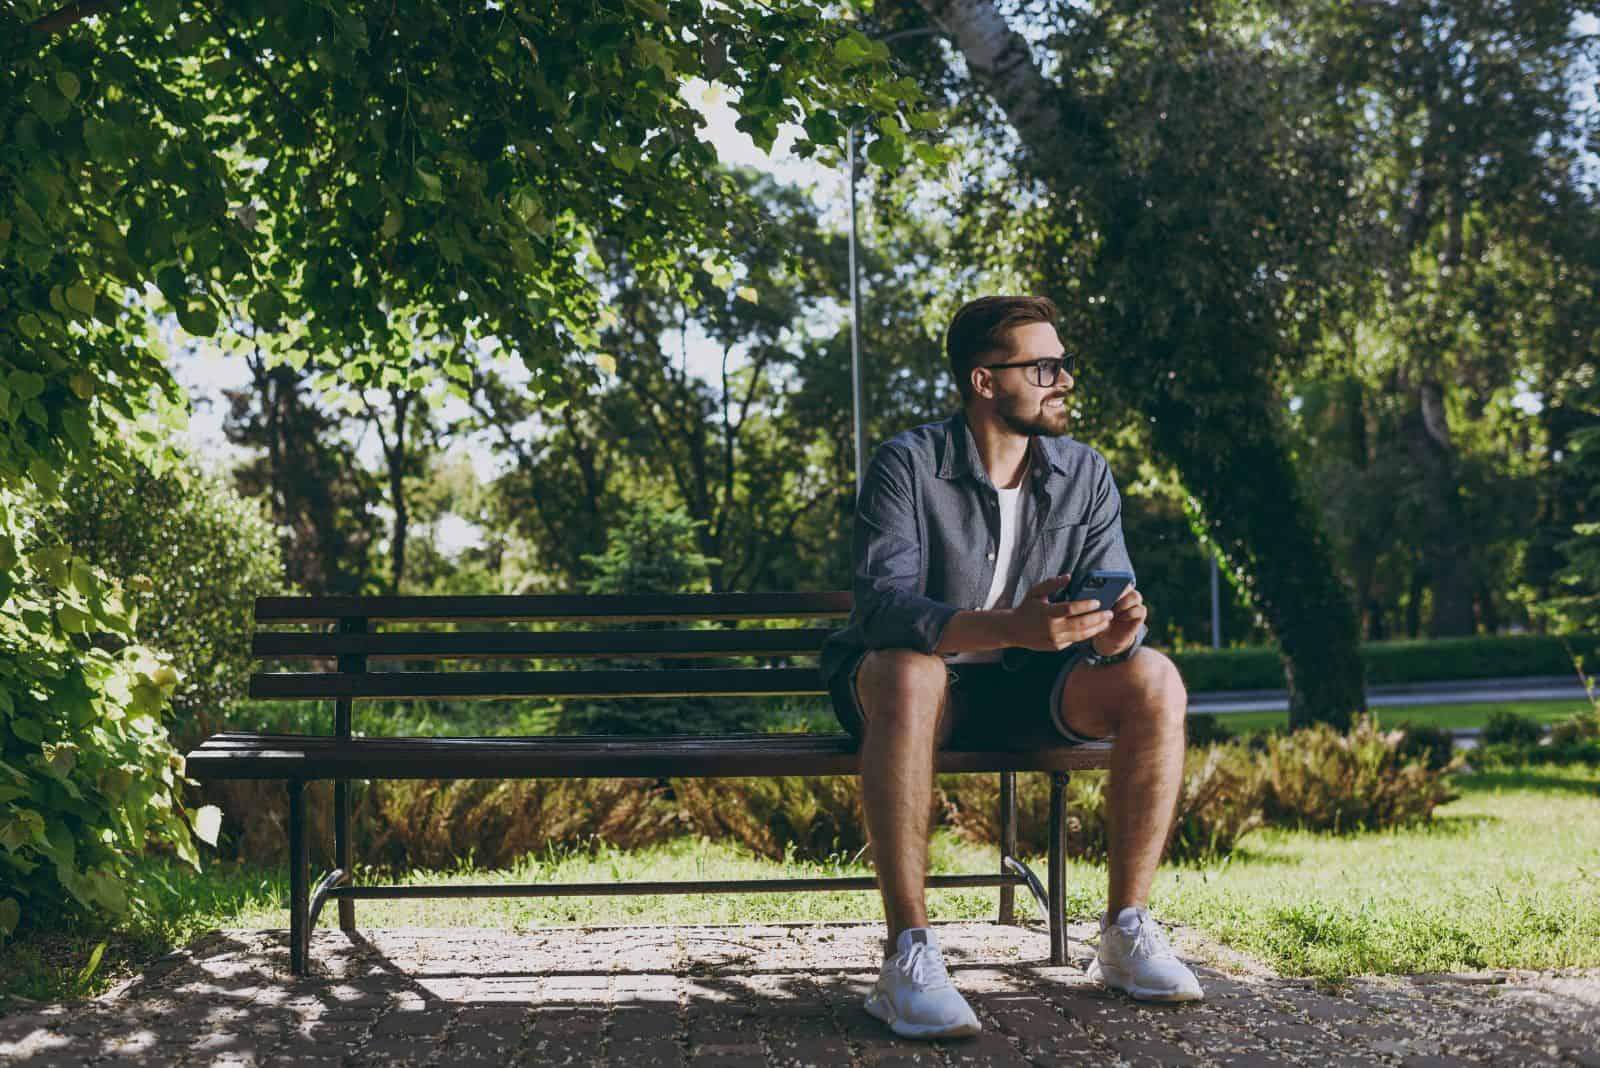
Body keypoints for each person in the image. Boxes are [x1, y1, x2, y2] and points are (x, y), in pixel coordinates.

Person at [820, 295, 1203, 1040]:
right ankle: (908, 957)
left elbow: (1109, 618)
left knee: (1156, 676)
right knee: (910, 670)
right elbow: (884, 609)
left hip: (1033, 687)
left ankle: (1124, 932)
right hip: (914, 692)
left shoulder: (1085, 473)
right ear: (985, 380)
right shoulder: (908, 463)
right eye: (1045, 367)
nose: (1064, 382)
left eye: (1063, 366)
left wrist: (1119, 633)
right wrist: (1008, 624)